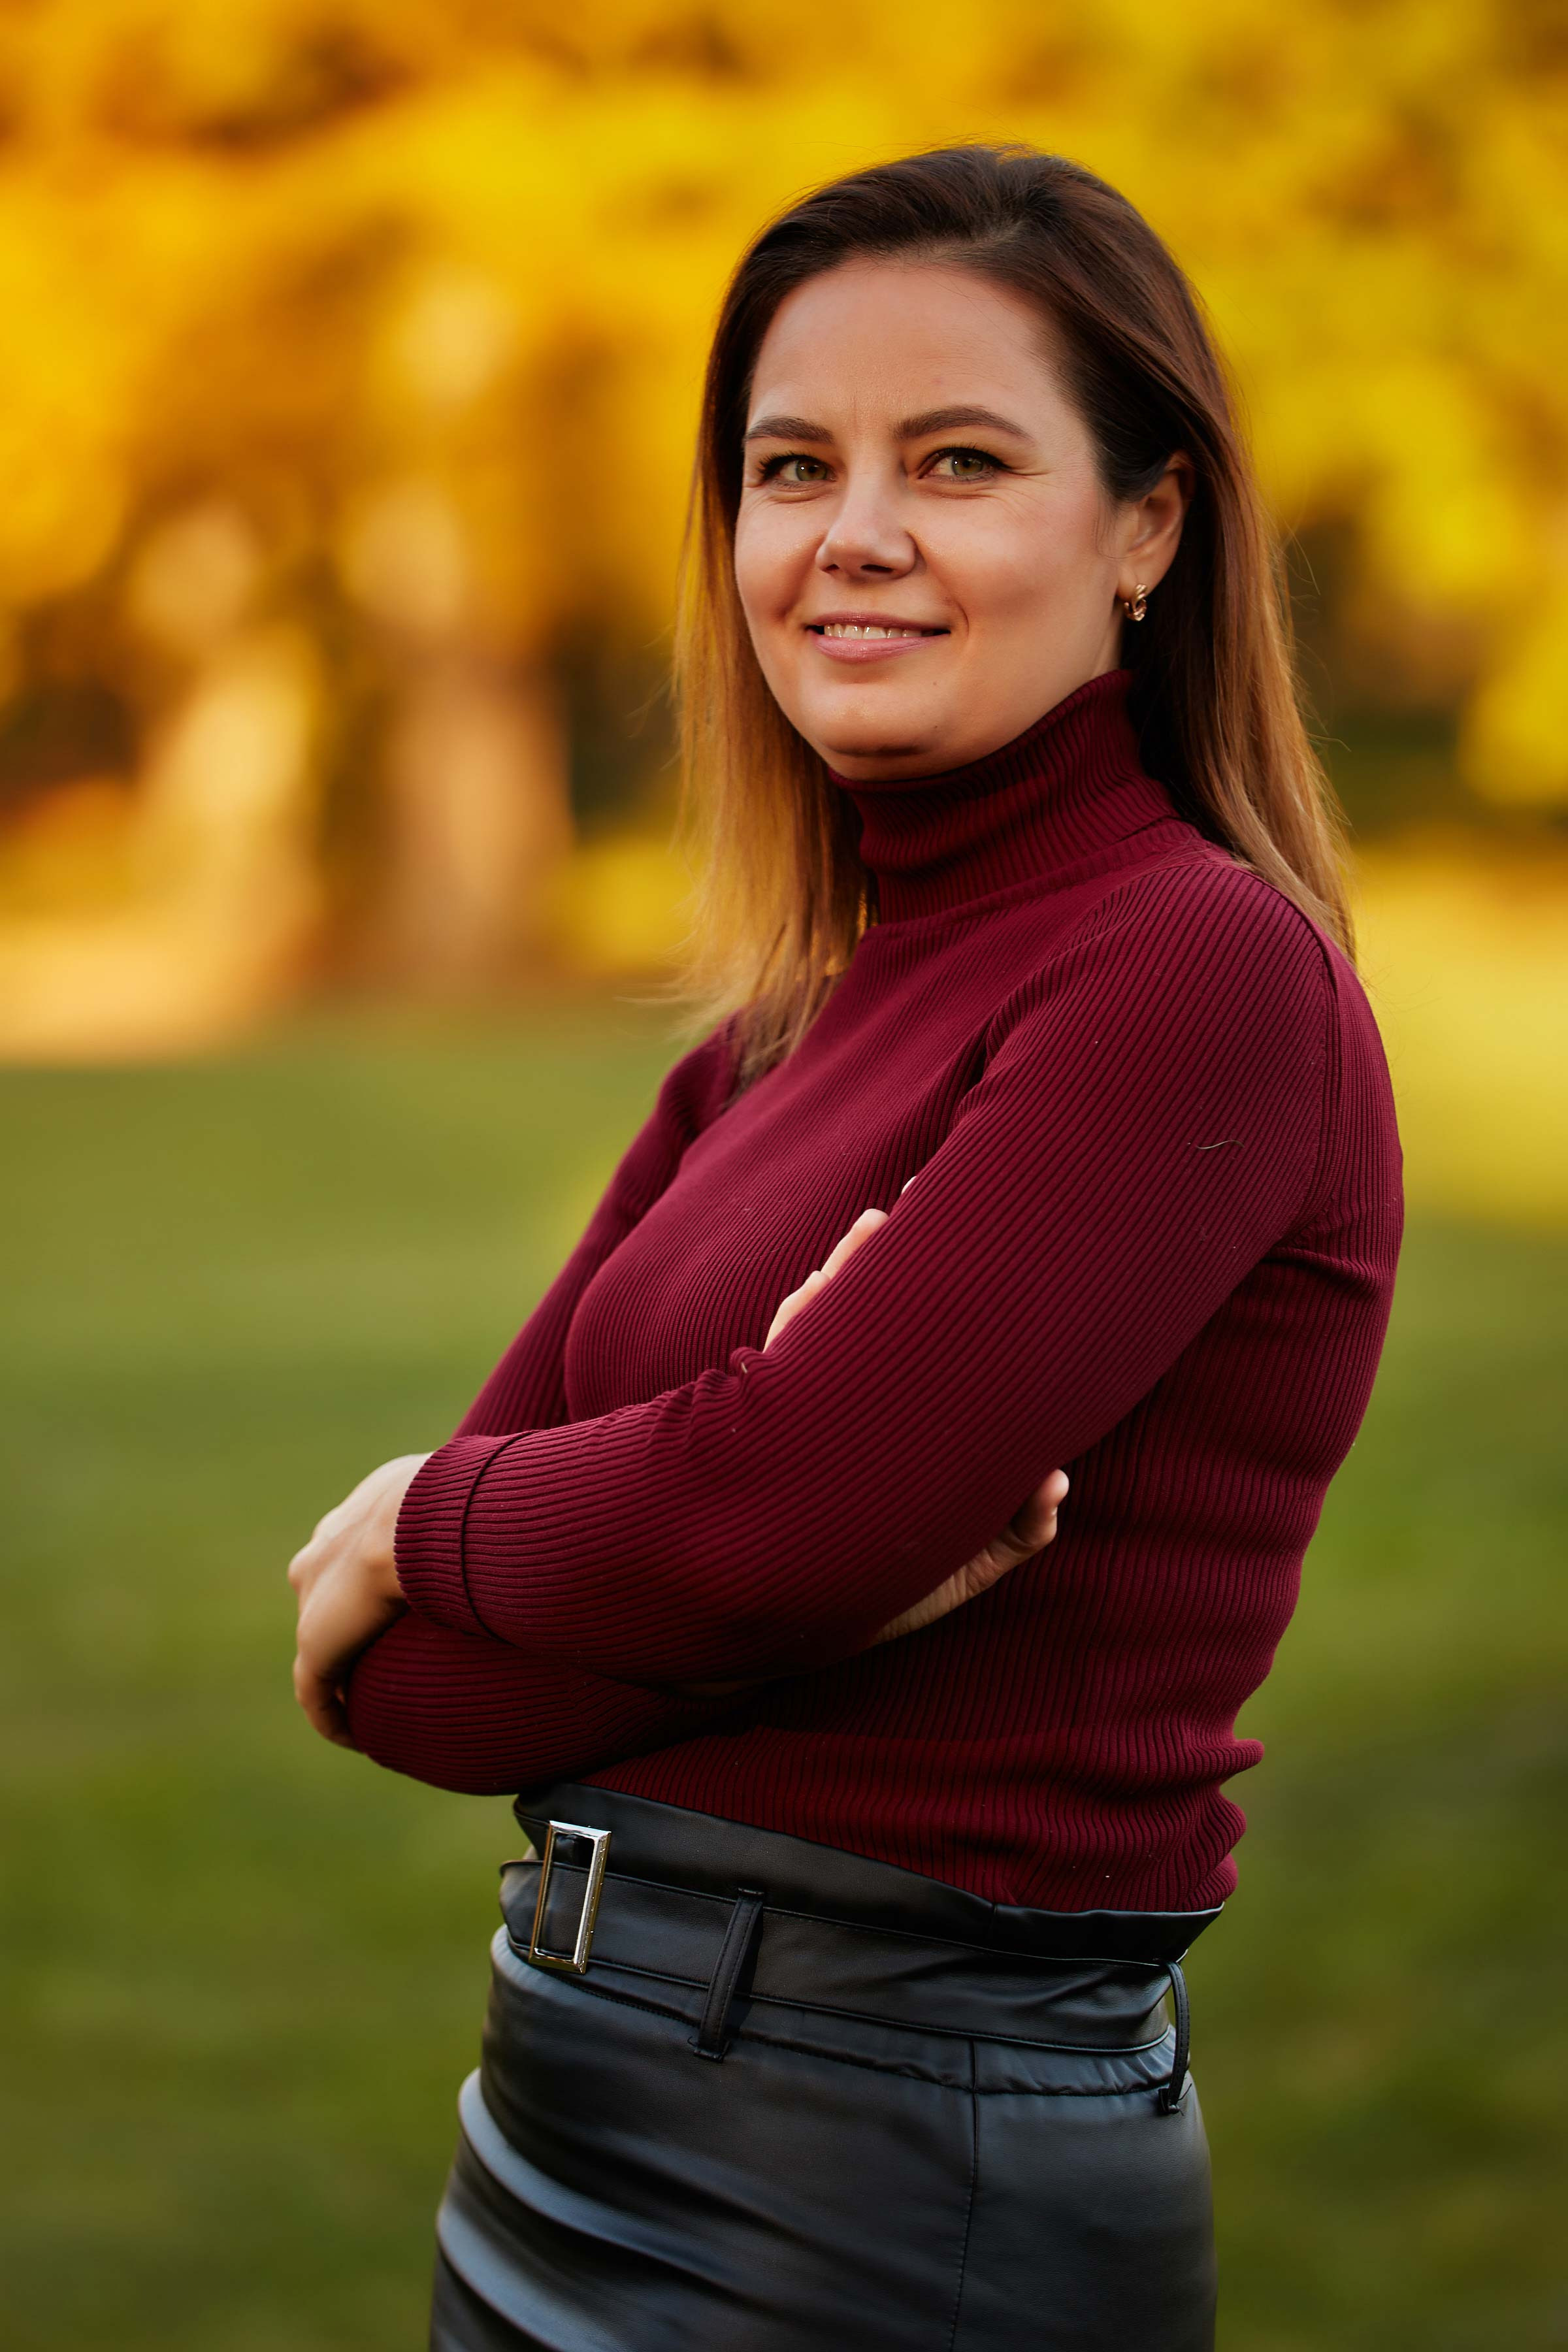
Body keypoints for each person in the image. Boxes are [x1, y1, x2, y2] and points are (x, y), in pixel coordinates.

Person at [287, 144, 1403, 2351]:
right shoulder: (775, 1043)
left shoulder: (1196, 973)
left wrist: (434, 1512)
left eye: (961, 460)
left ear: (1150, 526)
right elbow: (417, 1688)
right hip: (572, 2100)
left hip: (894, 2171)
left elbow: (750, 1531)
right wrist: (740, 1497)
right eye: (791, 466)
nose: (852, 533)